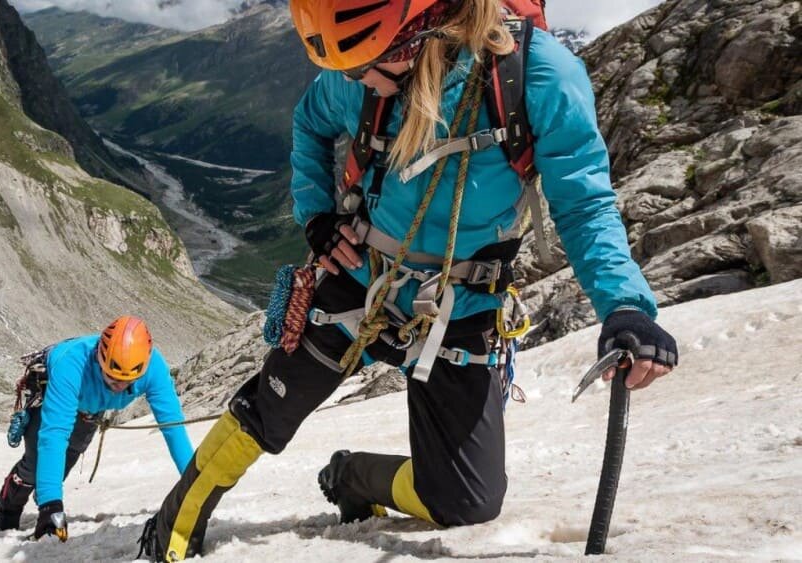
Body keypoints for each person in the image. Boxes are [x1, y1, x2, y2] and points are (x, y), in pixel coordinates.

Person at [137, 0, 679, 560]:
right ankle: (175, 521)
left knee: (468, 501)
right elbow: (310, 123)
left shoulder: (537, 77)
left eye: (371, 63)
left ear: (423, 30)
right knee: (267, 411)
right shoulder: (368, 73)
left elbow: (586, 204)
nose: (357, 80)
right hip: (359, 279)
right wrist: (318, 218)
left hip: (460, 306)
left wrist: (624, 307)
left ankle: (353, 478)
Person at [0, 316, 193, 541]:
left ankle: (44, 493)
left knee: (67, 458)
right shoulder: (71, 364)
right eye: (112, 378)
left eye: (127, 382)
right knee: (35, 463)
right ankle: (7, 511)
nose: (118, 388)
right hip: (53, 391)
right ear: (99, 358)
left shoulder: (154, 368)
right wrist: (51, 505)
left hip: (89, 408)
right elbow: (55, 434)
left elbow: (173, 427)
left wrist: (193, 482)